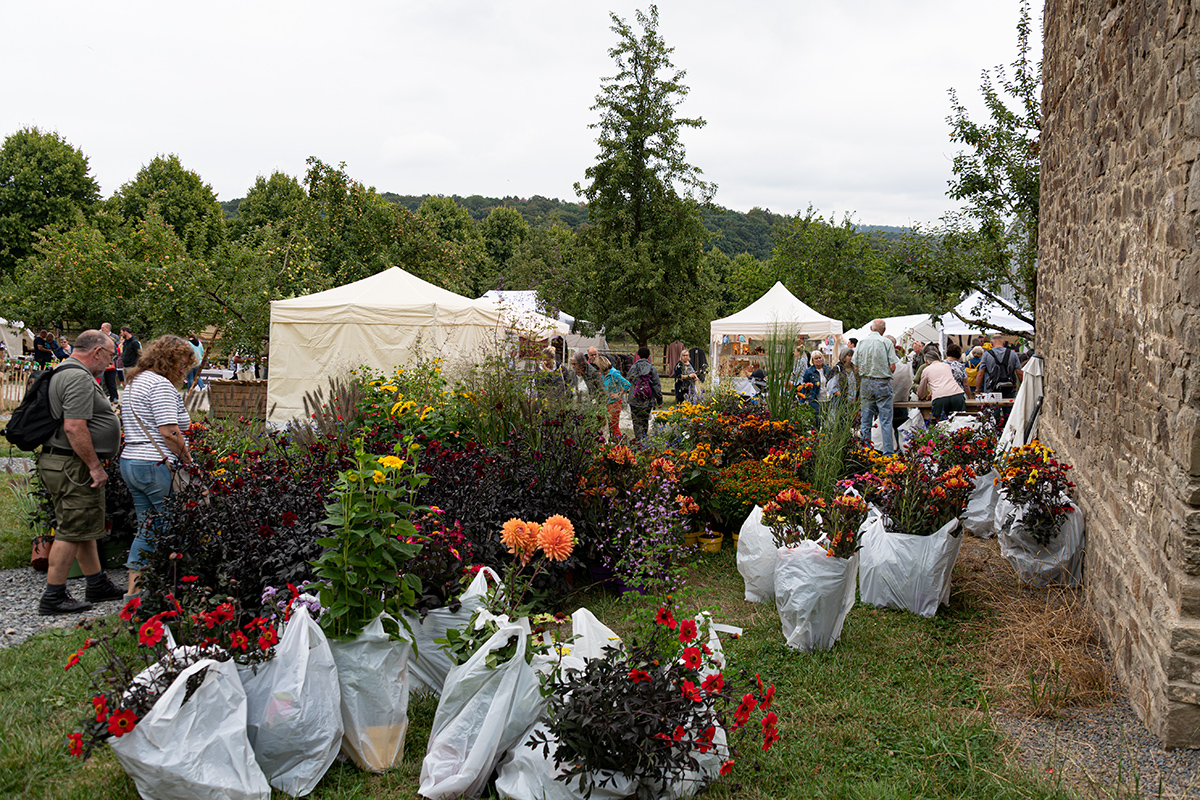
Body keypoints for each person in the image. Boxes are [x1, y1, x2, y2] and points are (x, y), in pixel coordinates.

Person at [36, 330, 125, 614]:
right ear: (97, 352)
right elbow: (74, 426)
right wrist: (94, 467)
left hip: (66, 463)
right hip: (73, 465)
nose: (111, 362)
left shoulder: (67, 371)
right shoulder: (76, 376)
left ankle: (97, 582)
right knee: (71, 529)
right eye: (111, 355)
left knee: (84, 526)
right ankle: (54, 595)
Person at [120, 335, 195, 598]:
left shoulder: (135, 382)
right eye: (181, 364)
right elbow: (169, 432)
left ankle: (135, 594)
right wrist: (190, 463)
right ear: (168, 360)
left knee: (147, 528)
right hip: (156, 464)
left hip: (132, 461)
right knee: (175, 527)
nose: (183, 370)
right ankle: (177, 590)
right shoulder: (160, 385)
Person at [852, 320, 899, 455]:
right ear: (883, 330)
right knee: (885, 420)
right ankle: (888, 454)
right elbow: (892, 366)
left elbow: (855, 365)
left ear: (871, 328)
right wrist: (887, 374)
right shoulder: (886, 342)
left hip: (866, 381)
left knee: (866, 420)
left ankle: (865, 452)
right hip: (882, 383)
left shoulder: (861, 342)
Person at [916, 350, 967, 420]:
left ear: (927, 362)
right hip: (957, 394)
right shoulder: (946, 366)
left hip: (940, 397)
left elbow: (921, 390)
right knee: (960, 421)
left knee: (942, 424)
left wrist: (921, 395)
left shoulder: (926, 370)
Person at [626, 346, 662, 442]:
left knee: (636, 422)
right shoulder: (652, 368)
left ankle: (638, 440)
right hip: (647, 399)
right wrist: (659, 399)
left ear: (638, 355)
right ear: (648, 356)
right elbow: (656, 385)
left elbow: (628, 379)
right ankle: (644, 440)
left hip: (634, 399)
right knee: (644, 421)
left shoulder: (634, 367)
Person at [888, 335, 915, 445]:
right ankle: (899, 446)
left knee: (890, 425)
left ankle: (893, 447)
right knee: (900, 426)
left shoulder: (898, 362)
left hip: (890, 401)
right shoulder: (902, 363)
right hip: (901, 400)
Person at [598, 355, 630, 441]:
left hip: (614, 403)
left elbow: (627, 384)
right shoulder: (603, 374)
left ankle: (620, 444)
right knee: (605, 426)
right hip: (606, 403)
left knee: (614, 426)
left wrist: (619, 394)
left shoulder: (614, 374)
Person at [801, 350, 829, 423]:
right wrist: (802, 400)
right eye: (816, 358)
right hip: (815, 399)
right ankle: (815, 434)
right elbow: (804, 386)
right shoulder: (809, 371)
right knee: (816, 421)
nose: (818, 360)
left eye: (820, 358)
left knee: (827, 421)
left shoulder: (828, 369)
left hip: (828, 399)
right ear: (812, 360)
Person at [99, 322, 120, 402]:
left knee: (111, 380)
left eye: (103, 327)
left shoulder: (114, 337)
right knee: (104, 381)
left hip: (110, 362)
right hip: (102, 362)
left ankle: (114, 396)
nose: (101, 329)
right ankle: (105, 396)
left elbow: (116, 350)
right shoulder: (100, 337)